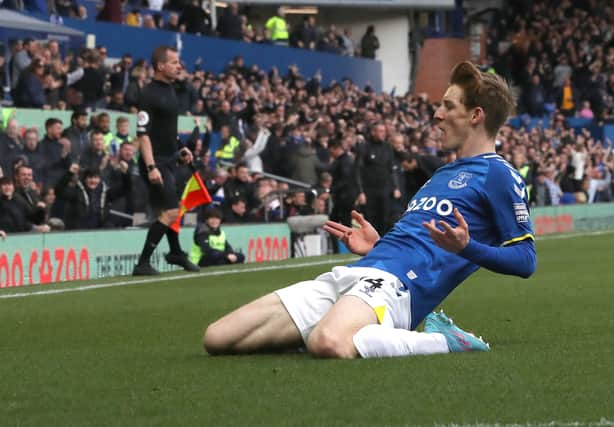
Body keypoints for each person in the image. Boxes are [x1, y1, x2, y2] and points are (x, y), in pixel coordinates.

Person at [202, 61, 536, 359]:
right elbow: (420, 241)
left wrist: (468, 247)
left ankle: (442, 340)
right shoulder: (442, 173)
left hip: (397, 288)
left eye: (448, 106)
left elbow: (525, 260)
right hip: (357, 271)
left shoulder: (498, 174)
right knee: (217, 338)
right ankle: (353, 329)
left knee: (328, 343)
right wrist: (378, 245)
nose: (437, 114)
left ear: (476, 115)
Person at [132, 46, 199, 276]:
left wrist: (181, 148)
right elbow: (143, 134)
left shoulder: (170, 90)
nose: (178, 66)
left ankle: (176, 252)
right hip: (156, 162)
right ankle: (143, 262)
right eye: (174, 62)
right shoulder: (148, 94)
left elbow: (167, 129)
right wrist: (151, 166)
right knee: (171, 211)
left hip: (170, 159)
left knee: (171, 209)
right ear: (160, 66)